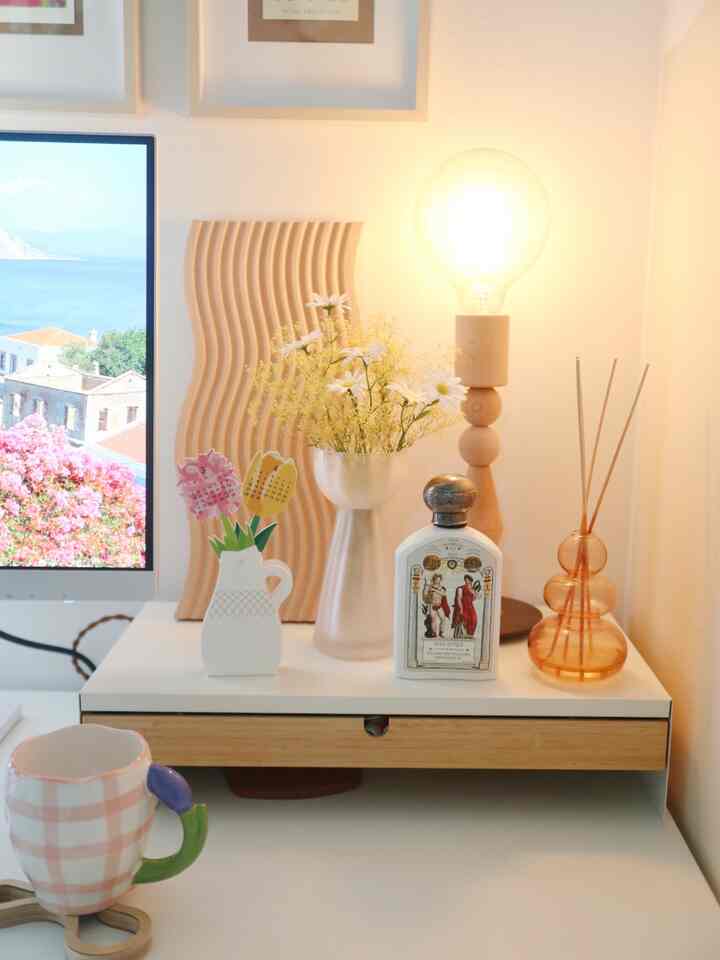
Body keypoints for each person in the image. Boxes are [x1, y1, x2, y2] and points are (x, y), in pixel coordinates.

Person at [423, 573, 450, 638]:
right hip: (432, 605)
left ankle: (441, 632)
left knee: (443, 619)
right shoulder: (430, 587)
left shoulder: (442, 587)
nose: (438, 581)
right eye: (436, 579)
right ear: (434, 580)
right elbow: (424, 595)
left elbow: (444, 594)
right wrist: (426, 586)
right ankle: (434, 633)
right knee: (433, 619)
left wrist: (435, 590)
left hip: (439, 605)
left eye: (439, 579)